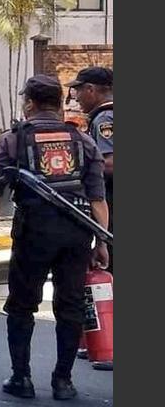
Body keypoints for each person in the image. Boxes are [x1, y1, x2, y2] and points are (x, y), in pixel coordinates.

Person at [0, 75, 109, 401]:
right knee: (70, 304)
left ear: (30, 103)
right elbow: (97, 198)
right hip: (76, 232)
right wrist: (101, 242)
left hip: (34, 231)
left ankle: (22, 378)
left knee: (22, 305)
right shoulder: (83, 140)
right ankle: (63, 382)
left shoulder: (14, 140)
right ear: (59, 103)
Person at [68, 66, 113, 274]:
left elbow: (110, 163)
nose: (76, 98)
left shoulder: (105, 119)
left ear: (91, 89)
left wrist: (81, 170)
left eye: (78, 90)